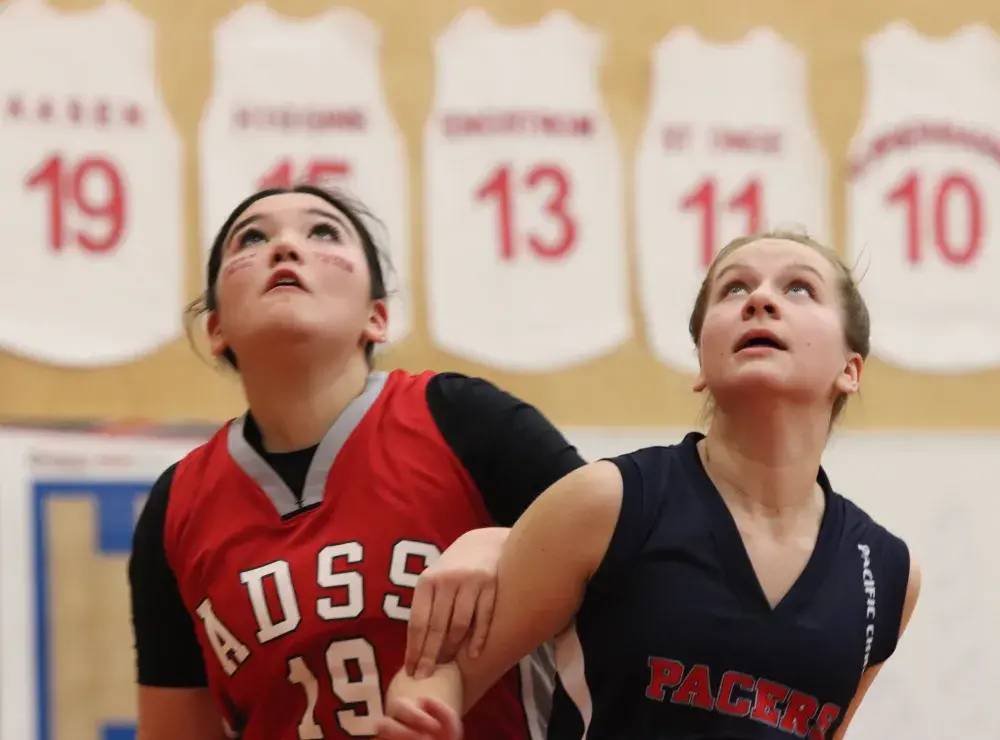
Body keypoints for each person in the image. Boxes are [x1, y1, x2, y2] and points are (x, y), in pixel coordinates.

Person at [377, 231, 922, 740]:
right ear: (703, 363)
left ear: (850, 369)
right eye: (734, 288)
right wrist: (422, 712)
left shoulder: (891, 574)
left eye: (799, 287)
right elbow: (438, 672)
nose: (759, 299)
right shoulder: (607, 501)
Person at [127, 184, 584, 740]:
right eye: (252, 237)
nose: (285, 248)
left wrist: (507, 543)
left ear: (377, 317)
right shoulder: (176, 507)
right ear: (216, 330)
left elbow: (629, 553)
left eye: (322, 231)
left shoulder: (463, 417)